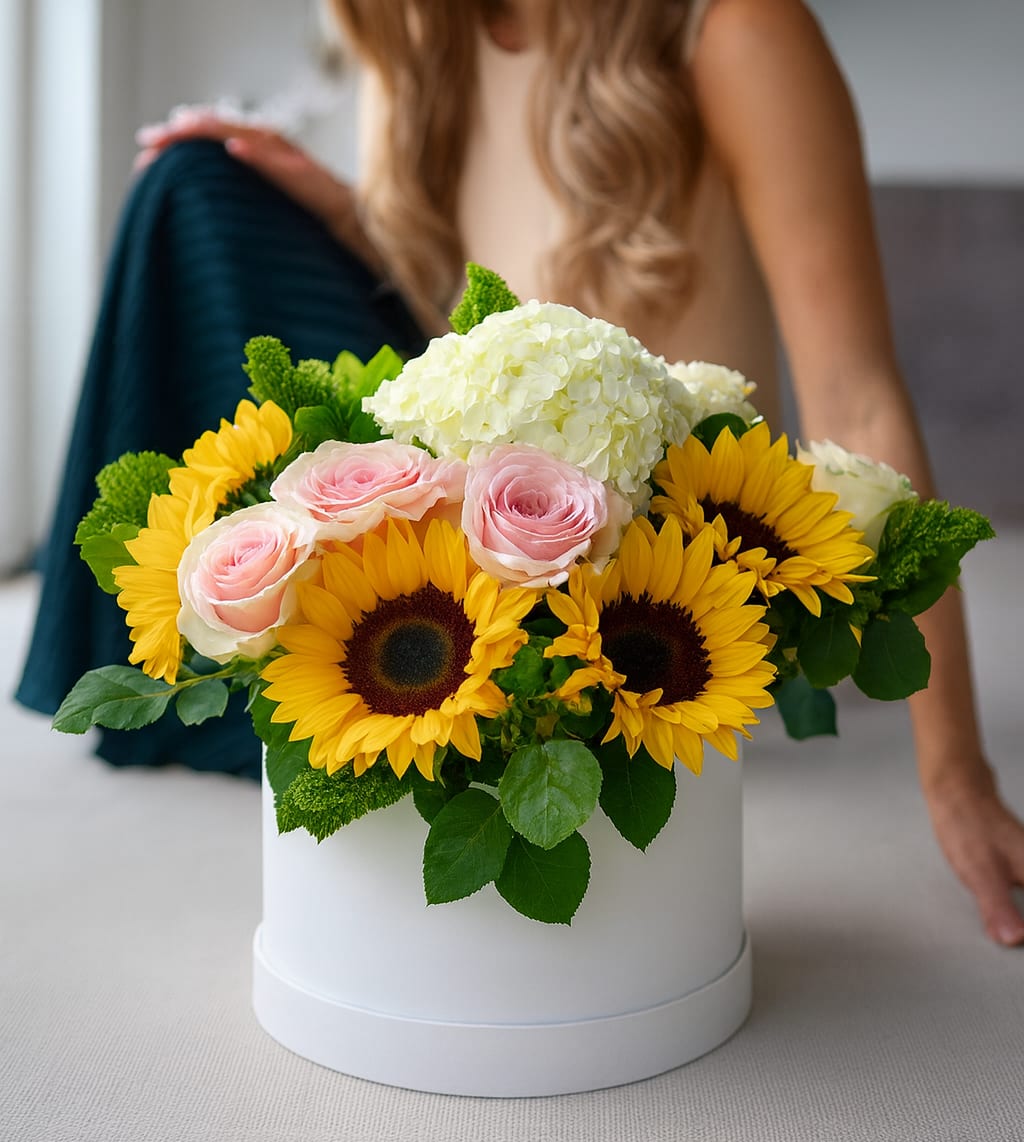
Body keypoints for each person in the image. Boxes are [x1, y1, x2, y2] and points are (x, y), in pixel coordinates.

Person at [22, 0, 1024, 944]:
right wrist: (336, 207)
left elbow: (855, 397)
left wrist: (955, 772)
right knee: (192, 184)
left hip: (628, 588)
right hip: (463, 522)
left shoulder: (732, 30)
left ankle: (368, 706)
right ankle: (242, 663)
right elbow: (453, 332)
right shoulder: (420, 39)